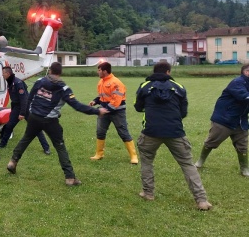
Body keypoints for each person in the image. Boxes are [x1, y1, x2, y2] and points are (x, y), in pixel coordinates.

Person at [6, 62, 108, 186]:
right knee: (60, 146)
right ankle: (70, 178)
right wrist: (97, 111)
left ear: (49, 71)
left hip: (34, 117)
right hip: (50, 121)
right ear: (60, 73)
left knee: (26, 139)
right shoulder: (63, 88)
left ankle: (13, 162)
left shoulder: (39, 81)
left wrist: (28, 113)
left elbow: (29, 98)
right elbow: (77, 106)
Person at [134, 62, 212, 210]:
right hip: (175, 132)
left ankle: (148, 193)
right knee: (187, 164)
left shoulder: (144, 86)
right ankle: (202, 200)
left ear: (154, 71)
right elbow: (183, 112)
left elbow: (138, 107)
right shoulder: (179, 88)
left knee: (147, 162)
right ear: (168, 72)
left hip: (150, 132)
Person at [194, 63, 249, 177]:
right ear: (246, 72)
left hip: (240, 121)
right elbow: (244, 96)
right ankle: (200, 162)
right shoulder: (237, 82)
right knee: (211, 142)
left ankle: (244, 169)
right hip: (224, 119)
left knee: (242, 146)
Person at [89, 62, 138, 164]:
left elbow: (116, 101)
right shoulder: (101, 82)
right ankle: (99, 154)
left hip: (117, 112)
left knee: (123, 132)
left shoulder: (116, 83)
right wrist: (95, 101)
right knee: (100, 132)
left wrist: (105, 110)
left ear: (105, 71)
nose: (98, 72)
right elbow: (102, 96)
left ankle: (134, 156)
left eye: (99, 70)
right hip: (104, 110)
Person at [0, 66, 51, 155]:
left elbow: (24, 99)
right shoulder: (10, 82)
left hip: (25, 107)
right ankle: (3, 144)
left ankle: (46, 148)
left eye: (3, 73)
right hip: (17, 107)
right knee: (9, 125)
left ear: (7, 74)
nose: (2, 75)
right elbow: (14, 99)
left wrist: (22, 113)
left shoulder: (18, 83)